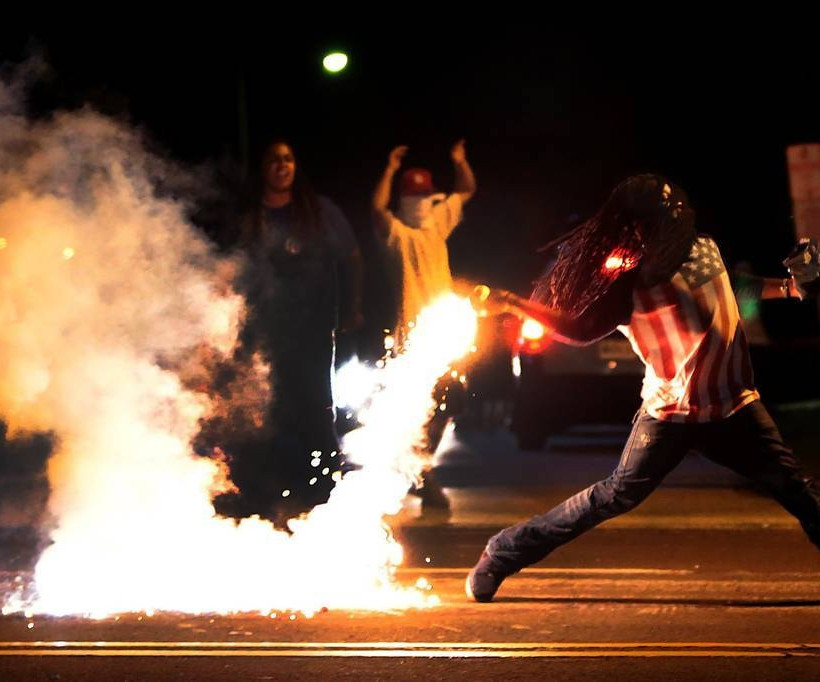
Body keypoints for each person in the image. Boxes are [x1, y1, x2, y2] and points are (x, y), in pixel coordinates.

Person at [466, 174, 820, 601]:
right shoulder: (628, 283)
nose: (671, 226)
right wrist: (512, 302)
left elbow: (730, 283)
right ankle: (503, 552)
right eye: (658, 221)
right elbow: (578, 331)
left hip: (734, 408)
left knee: (797, 490)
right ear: (635, 227)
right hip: (669, 415)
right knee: (613, 496)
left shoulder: (704, 247)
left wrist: (788, 287)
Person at [229, 138, 363, 522]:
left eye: (288, 159)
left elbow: (352, 258)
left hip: (313, 330)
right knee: (263, 413)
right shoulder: (250, 216)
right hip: (262, 332)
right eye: (274, 160)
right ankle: (262, 496)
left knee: (315, 410)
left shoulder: (320, 212)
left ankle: (321, 493)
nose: (282, 166)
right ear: (262, 168)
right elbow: (234, 269)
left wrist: (353, 308)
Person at [372, 140, 476, 513]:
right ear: (404, 200)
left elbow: (466, 190)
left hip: (443, 335)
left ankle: (419, 467)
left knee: (451, 404)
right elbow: (376, 209)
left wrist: (459, 162)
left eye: (424, 195)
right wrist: (389, 169)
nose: (419, 202)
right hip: (411, 340)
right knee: (419, 408)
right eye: (412, 196)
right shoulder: (399, 235)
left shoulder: (437, 227)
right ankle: (421, 474)